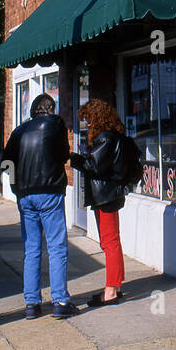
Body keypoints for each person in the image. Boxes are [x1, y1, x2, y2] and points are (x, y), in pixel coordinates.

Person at [2, 93, 77, 319]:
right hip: (50, 192)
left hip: (25, 196)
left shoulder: (19, 131)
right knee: (56, 246)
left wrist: (17, 188)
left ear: (33, 110)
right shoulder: (55, 125)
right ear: (50, 108)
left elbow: (6, 163)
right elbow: (64, 155)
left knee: (32, 249)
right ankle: (60, 300)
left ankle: (32, 303)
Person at [70, 99, 133, 306]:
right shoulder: (112, 136)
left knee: (109, 242)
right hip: (108, 195)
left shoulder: (105, 138)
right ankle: (116, 285)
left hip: (106, 196)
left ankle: (111, 291)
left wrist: (73, 158)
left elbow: (94, 165)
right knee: (112, 241)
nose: (87, 123)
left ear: (98, 117)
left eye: (89, 118)